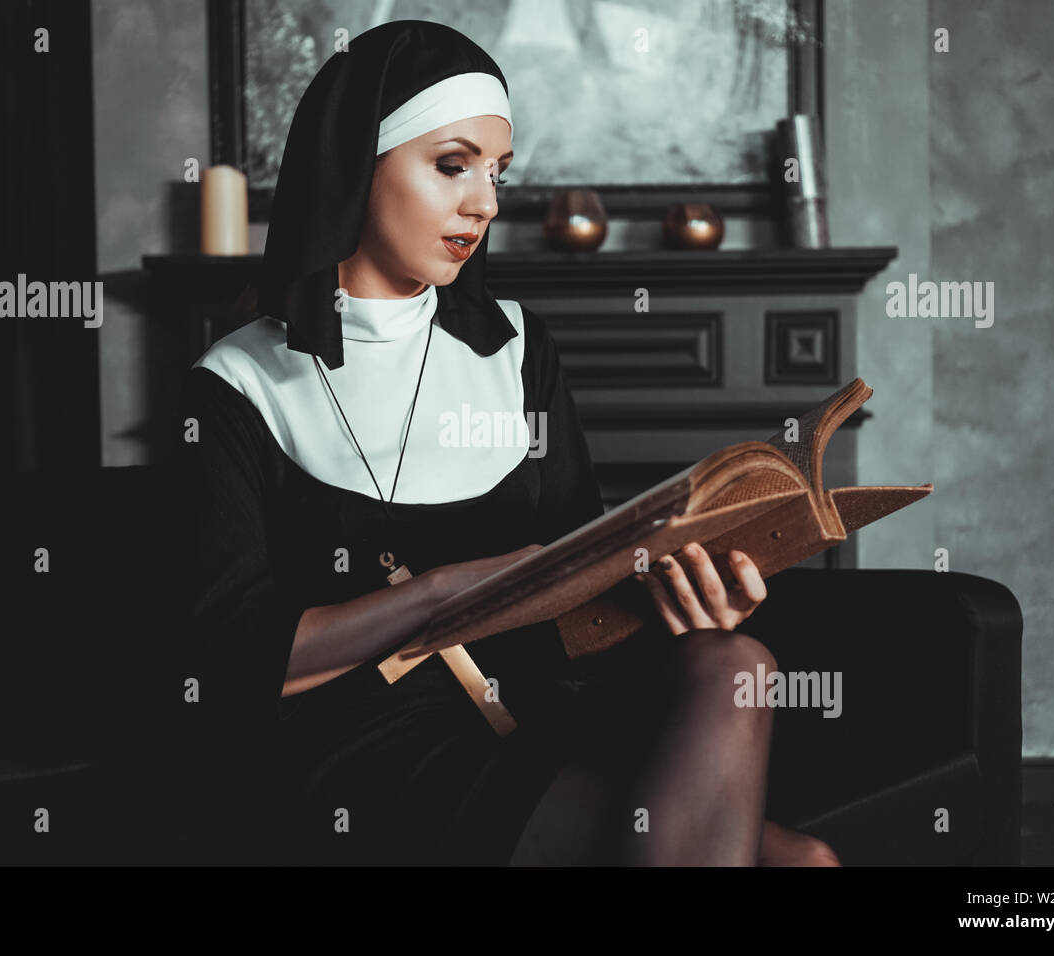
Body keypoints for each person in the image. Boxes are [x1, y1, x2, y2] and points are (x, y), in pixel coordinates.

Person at [178, 19, 838, 867]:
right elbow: (232, 662)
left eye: (497, 173)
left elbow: (581, 580)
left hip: (528, 712)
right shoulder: (236, 382)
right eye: (453, 165)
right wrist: (442, 593)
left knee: (735, 659)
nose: (485, 203)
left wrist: (682, 597)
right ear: (358, 164)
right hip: (356, 752)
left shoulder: (519, 351)